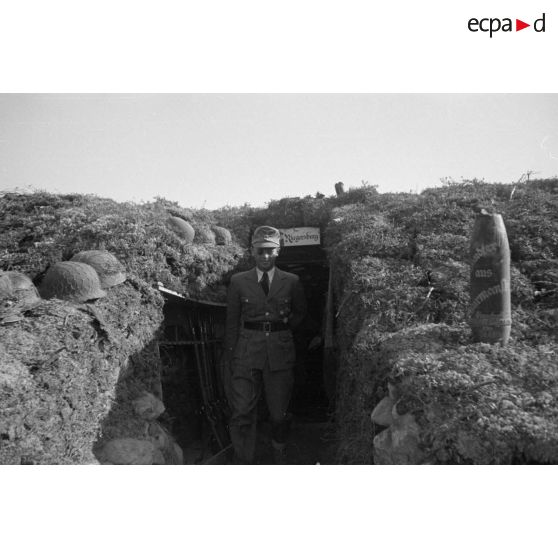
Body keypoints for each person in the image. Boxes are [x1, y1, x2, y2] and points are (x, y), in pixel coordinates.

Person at [224, 225, 307, 464]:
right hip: (247, 353)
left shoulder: (292, 281)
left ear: (278, 251)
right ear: (252, 251)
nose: (265, 256)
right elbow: (231, 322)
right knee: (242, 412)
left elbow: (302, 312)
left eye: (270, 251)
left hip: (280, 354)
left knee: (278, 413)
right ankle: (244, 460)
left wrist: (285, 328)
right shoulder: (238, 282)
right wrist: (230, 356)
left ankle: (278, 449)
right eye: (260, 251)